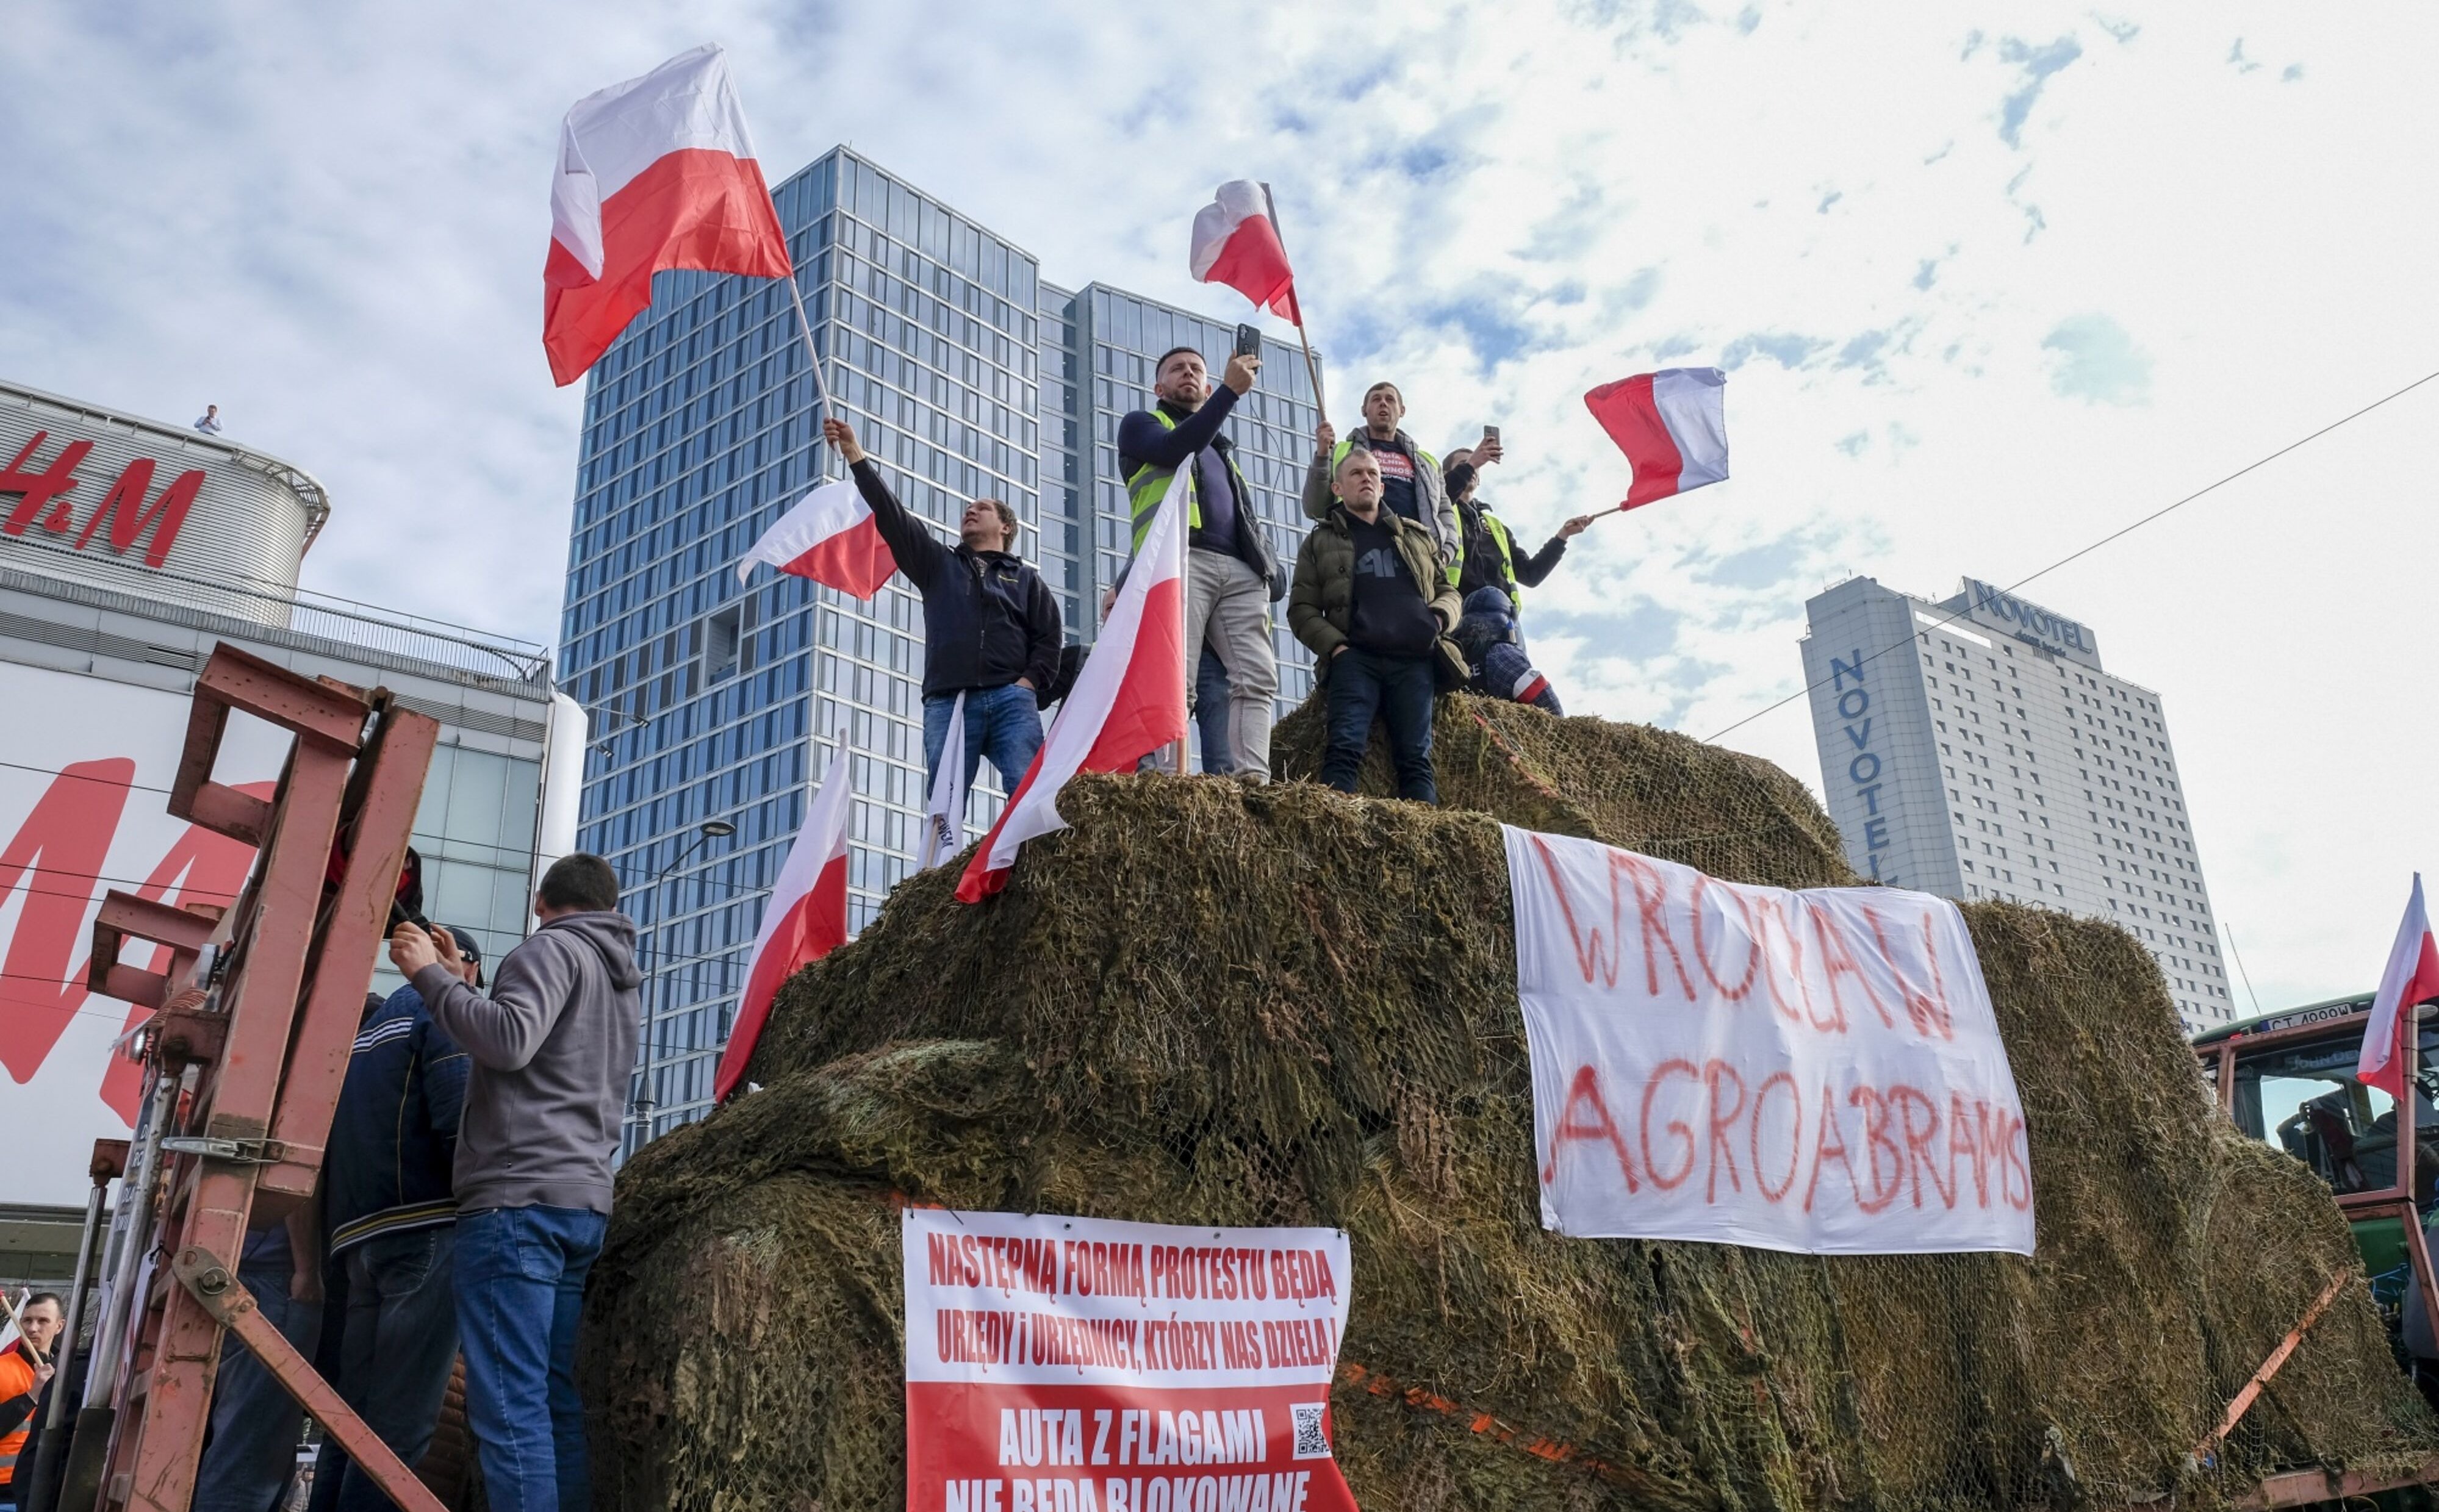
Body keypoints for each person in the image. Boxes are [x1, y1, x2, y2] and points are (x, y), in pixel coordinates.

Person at [387, 855, 641, 1512]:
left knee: (508, 1407)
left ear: (539, 901)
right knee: (552, 1402)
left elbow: (508, 1042)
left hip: (515, 1199)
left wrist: (428, 977)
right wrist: (459, 981)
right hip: (578, 1202)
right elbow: (537, 1050)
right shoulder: (615, 974)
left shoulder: (546, 949)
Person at [312, 929, 478, 1512]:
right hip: (425, 1225)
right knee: (400, 1431)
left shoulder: (363, 1034)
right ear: (464, 966)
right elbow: (461, 1119)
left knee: (352, 1423)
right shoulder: (443, 1009)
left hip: (359, 1239)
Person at [823, 417, 1061, 795]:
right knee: (943, 803)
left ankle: (1031, 840)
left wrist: (1028, 684)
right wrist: (854, 453)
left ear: (1006, 528)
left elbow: (1049, 638)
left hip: (1011, 699)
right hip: (948, 701)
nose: (970, 511)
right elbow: (892, 516)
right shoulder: (938, 563)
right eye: (967, 509)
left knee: (1028, 794)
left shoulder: (1027, 579)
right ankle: (943, 841)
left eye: (982, 508)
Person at [1115, 346, 1284, 780]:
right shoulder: (1141, 425)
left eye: (1196, 369)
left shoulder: (1223, 451)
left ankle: (1252, 781)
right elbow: (1175, 449)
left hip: (1240, 572)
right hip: (1181, 560)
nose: (1188, 373)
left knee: (1256, 677)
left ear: (1205, 388)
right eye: (1177, 369)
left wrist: (1268, 567)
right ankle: (1165, 779)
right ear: (1159, 387)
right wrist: (1229, 393)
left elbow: (1243, 516)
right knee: (1174, 674)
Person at [1288, 448, 1463, 803]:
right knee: (1343, 748)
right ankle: (1336, 827)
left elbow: (1448, 591)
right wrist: (1337, 648)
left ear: (1382, 487)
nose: (1366, 479)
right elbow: (1302, 609)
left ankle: (1423, 835)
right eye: (1356, 473)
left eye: (1372, 474)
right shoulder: (1320, 541)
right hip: (1356, 659)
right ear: (1338, 488)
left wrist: (1438, 619)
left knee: (1416, 760)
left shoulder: (1416, 535)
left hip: (1415, 659)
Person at [191, 1217, 321, 1512]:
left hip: (216, 1269)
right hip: (270, 1277)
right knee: (248, 1459)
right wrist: (307, 1271)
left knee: (226, 1449)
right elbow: (300, 1192)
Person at [1301, 382, 1462, 579]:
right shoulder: (1342, 453)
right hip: (1359, 555)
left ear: (1402, 411)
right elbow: (1314, 508)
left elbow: (1445, 511)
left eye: (1390, 400)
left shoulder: (1427, 462)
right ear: (1364, 410)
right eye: (1376, 399)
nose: (1383, 403)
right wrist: (1322, 455)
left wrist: (1445, 553)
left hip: (1418, 558)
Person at [1442, 443, 1600, 620]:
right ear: (1446, 475)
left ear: (1479, 480)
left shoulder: (1497, 528)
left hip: (1504, 618)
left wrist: (1563, 536)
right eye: (1464, 464)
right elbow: (1443, 496)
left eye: (1476, 465)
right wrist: (1471, 464)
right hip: (1456, 610)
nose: (1474, 467)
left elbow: (1531, 575)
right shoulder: (1440, 512)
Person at [1453, 587, 1564, 715]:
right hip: (1499, 728)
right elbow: (1550, 707)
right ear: (1507, 625)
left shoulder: (1453, 655)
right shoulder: (1501, 654)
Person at [1, 1293, 61, 1510]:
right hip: (5, 1492)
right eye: (27, 1320)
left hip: (51, 1488)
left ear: (59, 1326)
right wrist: (32, 1396)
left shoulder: (69, 1370)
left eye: (43, 1321)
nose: (33, 1328)